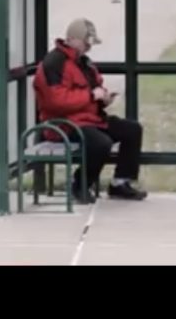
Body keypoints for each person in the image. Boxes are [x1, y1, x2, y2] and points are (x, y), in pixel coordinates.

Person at [33, 18, 147, 203]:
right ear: (72, 39)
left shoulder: (84, 63)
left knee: (132, 130)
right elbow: (56, 101)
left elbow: (93, 89)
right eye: (86, 43)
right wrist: (91, 96)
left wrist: (104, 99)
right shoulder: (54, 63)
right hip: (64, 125)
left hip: (90, 119)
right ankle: (80, 185)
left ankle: (121, 182)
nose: (89, 47)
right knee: (101, 143)